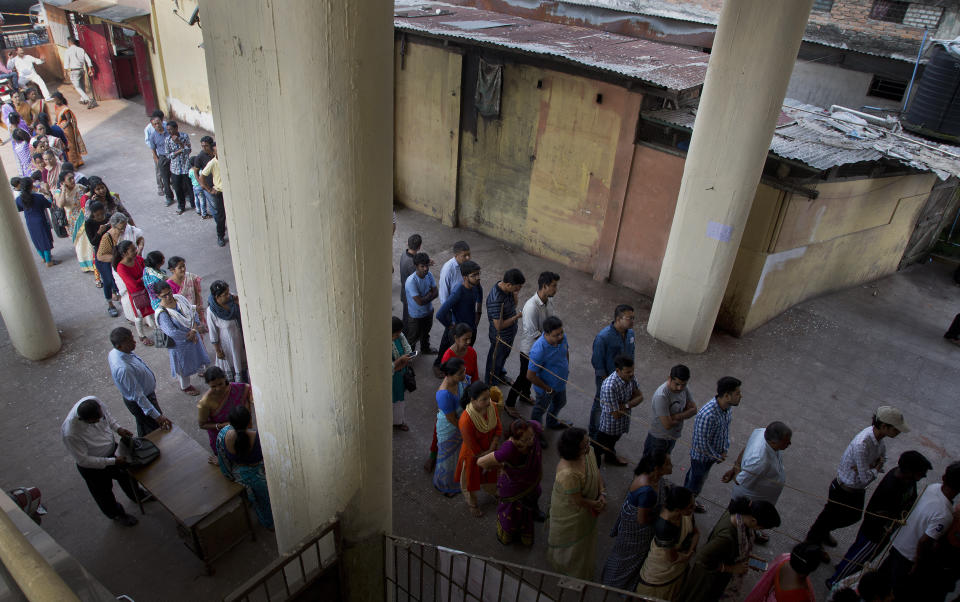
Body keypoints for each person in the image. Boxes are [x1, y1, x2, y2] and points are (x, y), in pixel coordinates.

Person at [806, 406, 909, 547]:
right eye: (895, 429)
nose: (897, 432)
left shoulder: (879, 441)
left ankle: (823, 533)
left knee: (853, 517)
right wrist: (875, 467)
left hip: (857, 490)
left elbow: (881, 460)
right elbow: (867, 477)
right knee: (827, 519)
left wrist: (870, 467)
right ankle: (812, 544)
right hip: (843, 490)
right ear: (884, 426)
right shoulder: (863, 444)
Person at [828, 450, 932, 587]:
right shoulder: (892, 486)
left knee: (859, 552)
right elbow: (880, 513)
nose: (923, 476)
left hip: (883, 530)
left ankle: (842, 568)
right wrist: (896, 518)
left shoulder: (908, 481)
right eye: (920, 472)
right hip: (875, 531)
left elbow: (911, 499)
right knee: (860, 557)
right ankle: (835, 581)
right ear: (909, 471)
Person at [877, 462, 960, 600]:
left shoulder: (933, 488)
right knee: (895, 593)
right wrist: (918, 563)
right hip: (908, 556)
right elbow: (925, 541)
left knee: (880, 581)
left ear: (944, 477)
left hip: (898, 542)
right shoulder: (945, 515)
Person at [676, 497, 782, 602]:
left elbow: (732, 550)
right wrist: (732, 568)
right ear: (753, 520)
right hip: (708, 580)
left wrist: (747, 557)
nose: (759, 530)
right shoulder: (728, 537)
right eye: (761, 528)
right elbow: (702, 557)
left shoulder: (736, 513)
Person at [61, 397, 141, 527]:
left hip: (113, 452)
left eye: (100, 417)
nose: (100, 420)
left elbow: (108, 417)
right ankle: (117, 514)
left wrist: (118, 429)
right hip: (93, 467)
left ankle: (137, 495)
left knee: (127, 476)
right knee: (104, 494)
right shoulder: (71, 433)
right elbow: (84, 460)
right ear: (85, 420)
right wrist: (112, 461)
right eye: (95, 421)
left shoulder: (95, 402)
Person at [601, 451, 673, 591]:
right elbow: (642, 519)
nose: (671, 466)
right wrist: (662, 515)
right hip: (635, 533)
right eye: (667, 464)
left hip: (634, 526)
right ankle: (616, 584)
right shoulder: (647, 491)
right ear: (657, 468)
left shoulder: (653, 479)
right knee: (628, 559)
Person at [547, 427, 606, 579]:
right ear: (573, 449)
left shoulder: (588, 452)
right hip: (571, 513)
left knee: (584, 544)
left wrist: (602, 492)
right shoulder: (568, 473)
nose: (588, 446)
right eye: (585, 445)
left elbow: (596, 470)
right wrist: (596, 504)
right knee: (572, 544)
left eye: (588, 442)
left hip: (589, 504)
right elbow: (577, 500)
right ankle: (568, 567)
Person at [721, 421, 793, 543]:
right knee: (741, 521)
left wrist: (736, 466)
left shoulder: (763, 433)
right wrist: (736, 469)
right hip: (750, 498)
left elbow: (746, 447)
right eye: (786, 442)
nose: (789, 444)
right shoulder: (760, 461)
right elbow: (739, 481)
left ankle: (751, 532)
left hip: (762, 495)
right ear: (773, 442)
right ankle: (737, 539)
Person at [477, 418, 544, 546]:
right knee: (513, 513)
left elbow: (539, 427)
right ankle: (507, 536)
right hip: (515, 490)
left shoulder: (533, 428)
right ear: (513, 439)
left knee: (530, 504)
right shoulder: (509, 449)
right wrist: (501, 466)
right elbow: (481, 462)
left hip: (532, 483)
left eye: (532, 437)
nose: (530, 442)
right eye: (525, 440)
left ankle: (533, 517)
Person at [685, 376, 742, 513]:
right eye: (737, 393)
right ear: (727, 396)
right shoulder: (707, 415)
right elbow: (702, 444)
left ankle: (688, 499)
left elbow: (725, 430)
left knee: (695, 478)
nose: (741, 396)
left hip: (713, 456)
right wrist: (717, 456)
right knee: (695, 481)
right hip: (702, 458)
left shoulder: (727, 408)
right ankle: (686, 505)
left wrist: (724, 449)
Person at [635, 485, 700, 601]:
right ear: (678, 509)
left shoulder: (686, 515)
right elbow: (671, 558)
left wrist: (689, 552)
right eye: (690, 507)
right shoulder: (664, 527)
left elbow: (696, 533)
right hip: (660, 570)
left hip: (677, 563)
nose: (693, 508)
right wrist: (687, 555)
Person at [506, 271, 559, 412]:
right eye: (553, 286)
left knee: (531, 376)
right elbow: (534, 334)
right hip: (529, 350)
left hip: (543, 345)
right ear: (545, 286)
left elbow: (551, 323)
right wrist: (553, 344)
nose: (556, 289)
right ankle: (509, 404)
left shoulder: (549, 301)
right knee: (524, 376)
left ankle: (525, 395)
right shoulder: (531, 307)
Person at [108, 327, 173, 436]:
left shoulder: (118, 352)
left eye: (132, 338)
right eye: (129, 342)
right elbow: (138, 396)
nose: (134, 342)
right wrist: (157, 416)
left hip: (144, 396)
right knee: (154, 429)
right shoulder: (124, 369)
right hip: (142, 401)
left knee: (144, 424)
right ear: (119, 346)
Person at [216, 406, 274, 529]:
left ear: (230, 422)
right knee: (266, 502)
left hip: (239, 477)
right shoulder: (259, 437)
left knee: (257, 501)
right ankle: (269, 524)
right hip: (260, 478)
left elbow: (222, 459)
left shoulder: (223, 434)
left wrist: (229, 476)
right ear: (249, 421)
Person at [589, 304, 636, 441]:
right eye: (629, 318)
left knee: (618, 404)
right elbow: (597, 361)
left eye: (633, 318)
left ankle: (610, 432)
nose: (633, 321)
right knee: (600, 404)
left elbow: (631, 354)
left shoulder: (630, 334)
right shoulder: (603, 337)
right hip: (606, 379)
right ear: (618, 319)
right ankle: (594, 433)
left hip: (624, 378)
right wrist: (605, 381)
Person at [154, 281, 210, 395]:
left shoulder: (179, 299)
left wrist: (194, 330)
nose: (168, 296)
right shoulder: (162, 313)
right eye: (164, 295)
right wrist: (190, 335)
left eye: (169, 292)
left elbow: (192, 311)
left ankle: (201, 371)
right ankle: (185, 386)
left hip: (192, 334)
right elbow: (172, 332)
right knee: (182, 365)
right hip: (179, 344)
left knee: (198, 355)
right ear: (158, 296)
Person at [456, 381, 503, 517]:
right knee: (470, 481)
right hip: (473, 455)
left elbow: (498, 428)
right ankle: (473, 505)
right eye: (484, 399)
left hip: (491, 448)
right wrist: (487, 455)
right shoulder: (466, 419)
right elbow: (472, 446)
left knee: (493, 475)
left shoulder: (492, 407)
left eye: (488, 398)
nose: (488, 402)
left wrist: (492, 447)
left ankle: (494, 492)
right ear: (473, 400)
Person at [434, 260, 483, 377]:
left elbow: (479, 301)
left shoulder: (477, 286)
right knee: (454, 356)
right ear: (465, 277)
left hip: (471, 329)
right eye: (474, 275)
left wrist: (477, 319)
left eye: (478, 274)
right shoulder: (458, 291)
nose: (478, 277)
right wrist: (451, 326)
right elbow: (440, 314)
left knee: (466, 353)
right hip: (458, 331)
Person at [595, 354, 644, 466]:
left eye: (632, 371)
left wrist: (625, 405)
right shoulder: (609, 386)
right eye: (628, 372)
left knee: (612, 443)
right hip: (609, 427)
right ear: (618, 370)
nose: (632, 374)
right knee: (597, 450)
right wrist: (630, 403)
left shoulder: (631, 377)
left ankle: (610, 457)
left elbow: (640, 397)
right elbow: (616, 414)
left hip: (622, 423)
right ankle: (594, 473)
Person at [527, 316, 570, 445]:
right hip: (546, 389)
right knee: (539, 410)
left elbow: (566, 351)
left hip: (560, 383)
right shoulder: (538, 350)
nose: (560, 337)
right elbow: (530, 376)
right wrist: (548, 389)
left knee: (560, 403)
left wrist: (567, 367)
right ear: (546, 334)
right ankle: (536, 433)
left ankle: (552, 422)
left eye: (561, 332)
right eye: (556, 335)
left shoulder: (562, 338)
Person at [744, 541, 824, 602]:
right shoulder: (803, 596)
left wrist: (749, 561)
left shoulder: (785, 558)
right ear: (812, 568)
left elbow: (769, 569)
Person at [645, 365, 697, 457]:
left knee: (663, 463)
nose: (680, 388)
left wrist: (676, 417)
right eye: (677, 384)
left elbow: (694, 410)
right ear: (669, 378)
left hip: (673, 436)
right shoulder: (662, 396)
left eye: (683, 384)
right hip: (659, 437)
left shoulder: (685, 388)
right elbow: (667, 424)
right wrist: (685, 413)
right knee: (650, 466)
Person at [484, 268, 525, 387]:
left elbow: (514, 305)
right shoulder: (496, 299)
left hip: (509, 334)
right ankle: (490, 384)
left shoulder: (508, 290)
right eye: (517, 287)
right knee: (495, 360)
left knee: (503, 356)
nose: (518, 290)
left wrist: (515, 294)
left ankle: (500, 375)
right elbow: (499, 326)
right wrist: (517, 316)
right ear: (508, 284)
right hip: (500, 337)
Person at [198, 366, 252, 453]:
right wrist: (221, 426)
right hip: (221, 436)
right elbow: (202, 425)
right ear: (208, 385)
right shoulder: (205, 402)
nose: (218, 389)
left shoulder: (238, 388)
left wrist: (246, 412)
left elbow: (248, 392)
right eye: (213, 386)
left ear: (225, 378)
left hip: (241, 433)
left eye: (220, 384)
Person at [113, 240, 156, 345]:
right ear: (124, 253)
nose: (136, 251)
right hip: (136, 295)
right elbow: (133, 284)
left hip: (145, 290)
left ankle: (155, 327)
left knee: (151, 310)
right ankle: (142, 336)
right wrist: (144, 277)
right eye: (133, 250)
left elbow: (146, 266)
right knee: (139, 316)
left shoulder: (136, 259)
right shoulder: (121, 267)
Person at [433, 358, 466, 496]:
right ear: (449, 375)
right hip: (450, 428)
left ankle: (456, 480)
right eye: (460, 373)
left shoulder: (458, 382)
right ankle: (445, 485)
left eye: (464, 370)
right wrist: (465, 430)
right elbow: (451, 419)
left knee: (456, 456)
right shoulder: (444, 394)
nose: (464, 374)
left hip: (459, 424)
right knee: (447, 459)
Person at [53, 170, 95, 273]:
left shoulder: (80, 187)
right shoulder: (58, 192)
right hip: (72, 221)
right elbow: (60, 205)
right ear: (63, 182)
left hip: (85, 217)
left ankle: (93, 264)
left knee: (89, 242)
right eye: (69, 179)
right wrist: (63, 190)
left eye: (73, 177)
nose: (73, 180)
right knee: (80, 243)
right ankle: (85, 265)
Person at [206, 280, 247, 384]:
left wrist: (239, 303)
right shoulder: (211, 311)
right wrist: (218, 350)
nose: (228, 295)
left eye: (228, 292)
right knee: (234, 367)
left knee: (244, 367)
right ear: (217, 297)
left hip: (241, 341)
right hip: (228, 346)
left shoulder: (233, 299)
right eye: (225, 294)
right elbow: (213, 332)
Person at [11, 177, 56, 266]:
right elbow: (49, 204)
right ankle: (49, 261)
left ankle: (43, 258)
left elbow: (18, 209)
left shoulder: (19, 199)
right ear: (31, 186)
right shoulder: (38, 197)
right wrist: (46, 194)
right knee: (45, 240)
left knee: (37, 240)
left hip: (30, 223)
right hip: (41, 221)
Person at [403, 252, 438, 354]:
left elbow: (436, 293)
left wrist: (426, 297)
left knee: (426, 334)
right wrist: (430, 294)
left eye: (427, 265)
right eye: (422, 266)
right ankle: (408, 357)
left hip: (428, 312)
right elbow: (420, 302)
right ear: (416, 266)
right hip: (415, 315)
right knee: (412, 338)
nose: (426, 268)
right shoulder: (411, 281)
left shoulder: (429, 275)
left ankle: (425, 349)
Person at [199, 140, 227, 246]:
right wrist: (208, 189)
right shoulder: (213, 163)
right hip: (220, 192)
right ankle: (220, 236)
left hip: (229, 193)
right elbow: (202, 177)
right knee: (221, 216)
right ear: (214, 152)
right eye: (216, 151)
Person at [166, 256, 207, 330]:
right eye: (180, 268)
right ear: (172, 270)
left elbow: (196, 292)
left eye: (184, 266)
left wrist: (197, 308)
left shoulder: (189, 276)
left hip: (196, 310)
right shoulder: (169, 285)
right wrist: (191, 312)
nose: (183, 269)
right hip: (184, 317)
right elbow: (175, 304)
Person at [164, 121, 194, 214]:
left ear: (176, 129)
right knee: (177, 188)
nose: (170, 132)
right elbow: (168, 155)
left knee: (190, 187)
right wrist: (179, 151)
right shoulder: (167, 140)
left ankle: (194, 204)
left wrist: (180, 143)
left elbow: (188, 150)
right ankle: (181, 206)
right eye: (168, 130)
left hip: (185, 167)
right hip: (175, 168)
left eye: (171, 129)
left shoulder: (184, 136)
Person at [52, 93, 87, 168]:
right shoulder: (56, 106)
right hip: (60, 127)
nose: (55, 102)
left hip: (67, 129)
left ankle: (74, 163)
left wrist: (63, 127)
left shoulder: (65, 109)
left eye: (56, 100)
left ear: (60, 99)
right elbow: (56, 117)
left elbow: (68, 120)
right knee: (64, 145)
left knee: (70, 145)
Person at [391, 316, 413, 431]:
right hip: (392, 377)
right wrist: (400, 361)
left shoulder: (400, 336)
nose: (397, 336)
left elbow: (407, 348)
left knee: (399, 399)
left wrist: (408, 356)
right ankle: (390, 421)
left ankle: (398, 421)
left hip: (400, 375)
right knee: (391, 400)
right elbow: (387, 367)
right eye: (395, 335)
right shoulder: (384, 344)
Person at [146, 110, 172, 205]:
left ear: (162, 122)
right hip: (162, 157)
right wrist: (157, 160)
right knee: (165, 179)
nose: (157, 125)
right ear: (152, 126)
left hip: (173, 156)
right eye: (155, 124)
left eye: (158, 123)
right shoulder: (152, 136)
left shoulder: (169, 131)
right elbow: (153, 149)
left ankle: (185, 195)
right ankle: (169, 197)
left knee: (177, 177)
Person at [63, 37, 97, 107]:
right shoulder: (81, 49)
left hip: (74, 71)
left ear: (69, 43)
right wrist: (90, 68)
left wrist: (65, 72)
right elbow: (88, 59)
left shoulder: (68, 51)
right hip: (81, 70)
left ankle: (88, 100)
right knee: (82, 85)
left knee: (77, 87)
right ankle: (83, 99)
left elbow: (66, 63)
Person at [190, 135, 216, 219]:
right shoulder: (200, 157)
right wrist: (201, 184)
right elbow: (195, 171)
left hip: (218, 184)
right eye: (202, 146)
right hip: (209, 185)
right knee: (214, 207)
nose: (204, 148)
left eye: (206, 146)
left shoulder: (216, 153)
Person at [399, 233, 422, 325]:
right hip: (410, 295)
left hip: (404, 291)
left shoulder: (404, 254)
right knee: (409, 319)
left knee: (406, 314)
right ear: (419, 247)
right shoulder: (413, 264)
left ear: (407, 244)